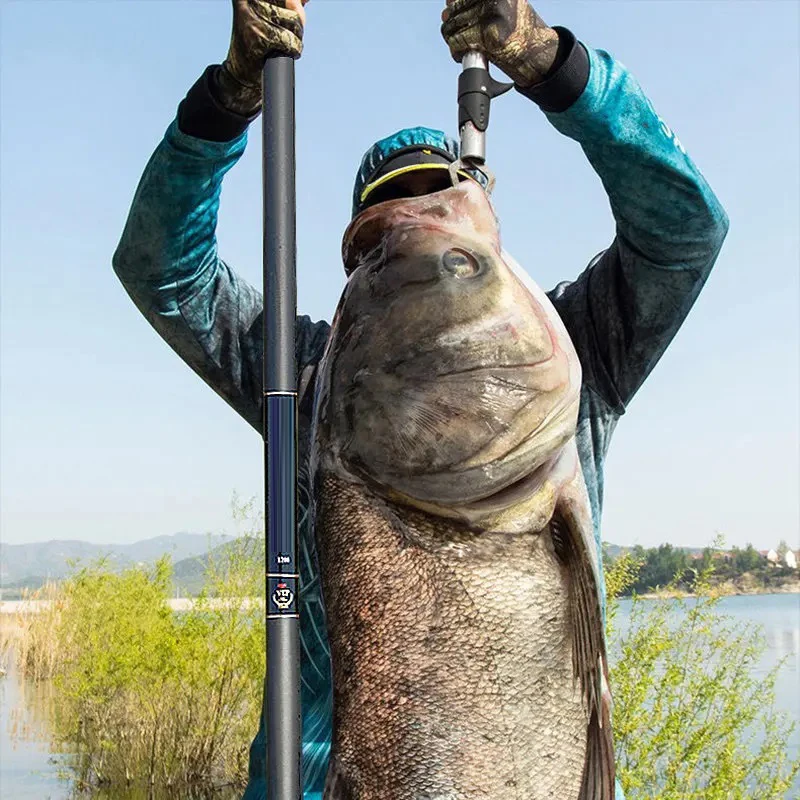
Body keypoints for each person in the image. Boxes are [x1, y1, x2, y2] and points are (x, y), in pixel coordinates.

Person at [112, 1, 729, 798]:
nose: (414, 236)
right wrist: (225, 96)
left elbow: (686, 229)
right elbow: (157, 265)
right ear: (348, 256)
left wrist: (553, 64)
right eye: (380, 245)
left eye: (438, 206)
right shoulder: (295, 374)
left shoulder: (583, 351)